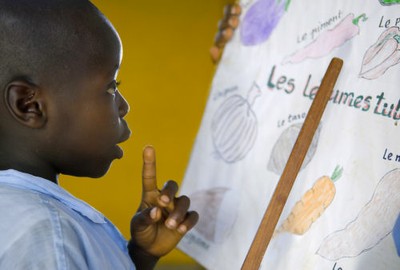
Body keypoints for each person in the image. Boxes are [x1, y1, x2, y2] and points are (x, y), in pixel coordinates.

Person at [0, 0, 199, 269]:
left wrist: (141, 257)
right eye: (110, 87)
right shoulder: (48, 233)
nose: (123, 106)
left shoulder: (21, 217)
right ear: (29, 105)